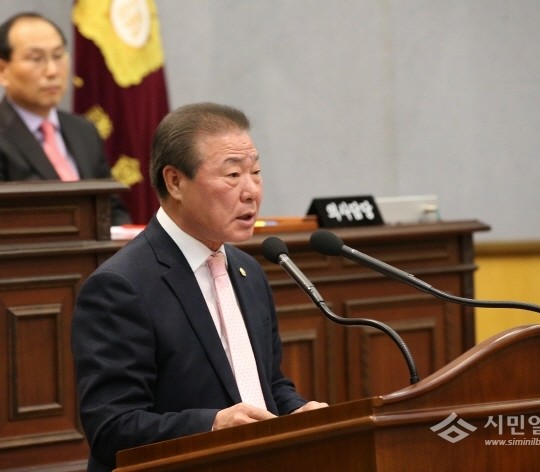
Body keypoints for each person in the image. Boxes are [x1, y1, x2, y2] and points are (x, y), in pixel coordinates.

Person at [71, 102, 328, 471]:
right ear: (175, 182)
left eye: (256, 172)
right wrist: (212, 425)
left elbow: (267, 385)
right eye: (233, 174)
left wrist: (297, 412)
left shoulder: (248, 271)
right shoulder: (120, 287)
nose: (251, 191)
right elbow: (111, 428)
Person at [0, 11, 130, 225]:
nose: (52, 71)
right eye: (36, 59)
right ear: (3, 70)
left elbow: (112, 209)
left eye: (58, 55)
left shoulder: (84, 130)